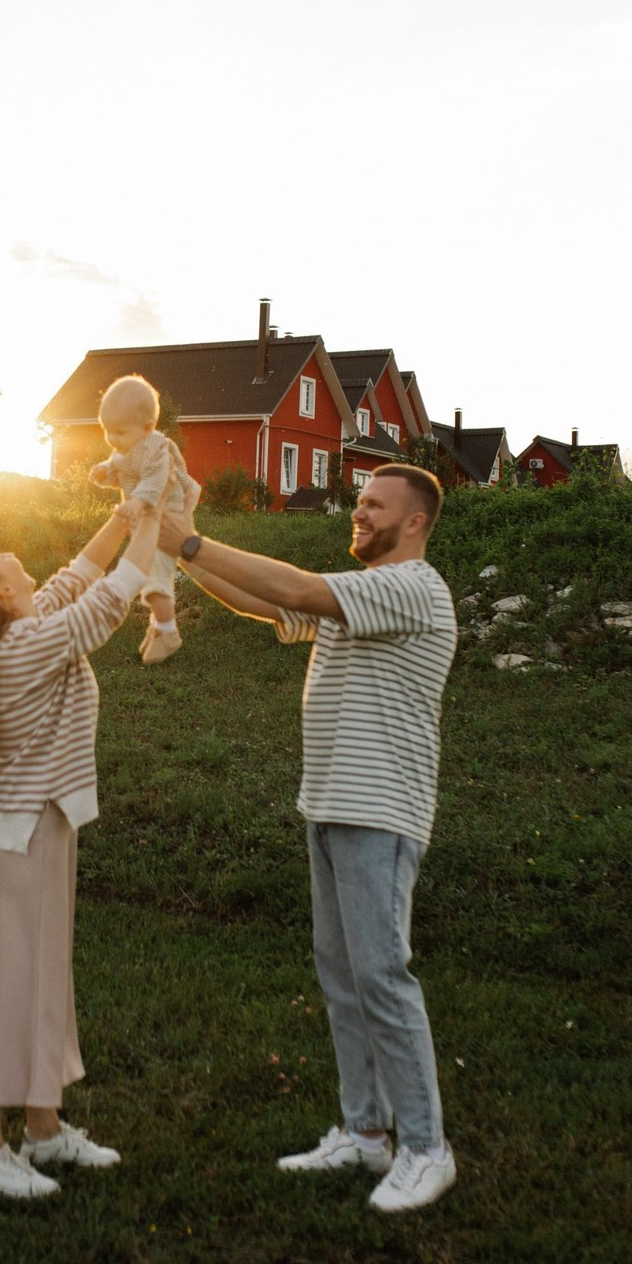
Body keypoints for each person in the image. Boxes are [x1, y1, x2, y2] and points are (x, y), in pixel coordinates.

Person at [159, 464, 459, 1212]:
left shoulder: (413, 589)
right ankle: (364, 1134)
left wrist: (189, 541)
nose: (358, 513)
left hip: (379, 813)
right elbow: (264, 602)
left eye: (374, 506)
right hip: (331, 806)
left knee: (382, 976)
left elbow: (292, 587)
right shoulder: (358, 598)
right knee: (344, 979)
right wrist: (175, 554)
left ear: (415, 522)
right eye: (357, 502)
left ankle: (427, 1148)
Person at [0, 498, 164, 1200]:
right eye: (6, 561)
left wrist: (127, 514)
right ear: (2, 592)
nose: (19, 561)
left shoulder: (24, 625)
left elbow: (77, 576)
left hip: (41, 824)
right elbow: (109, 600)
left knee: (44, 976)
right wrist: (157, 516)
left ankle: (45, 1131)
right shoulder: (26, 645)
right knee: (10, 988)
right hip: (22, 834)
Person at [89, 373, 200, 664]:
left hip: (167, 520)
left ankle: (168, 631)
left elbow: (155, 480)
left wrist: (138, 501)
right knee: (146, 572)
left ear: (147, 427)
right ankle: (157, 627)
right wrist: (104, 474)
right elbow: (120, 470)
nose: (112, 439)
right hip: (147, 519)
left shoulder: (156, 450)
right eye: (107, 431)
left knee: (156, 577)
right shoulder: (126, 447)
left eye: (119, 432)